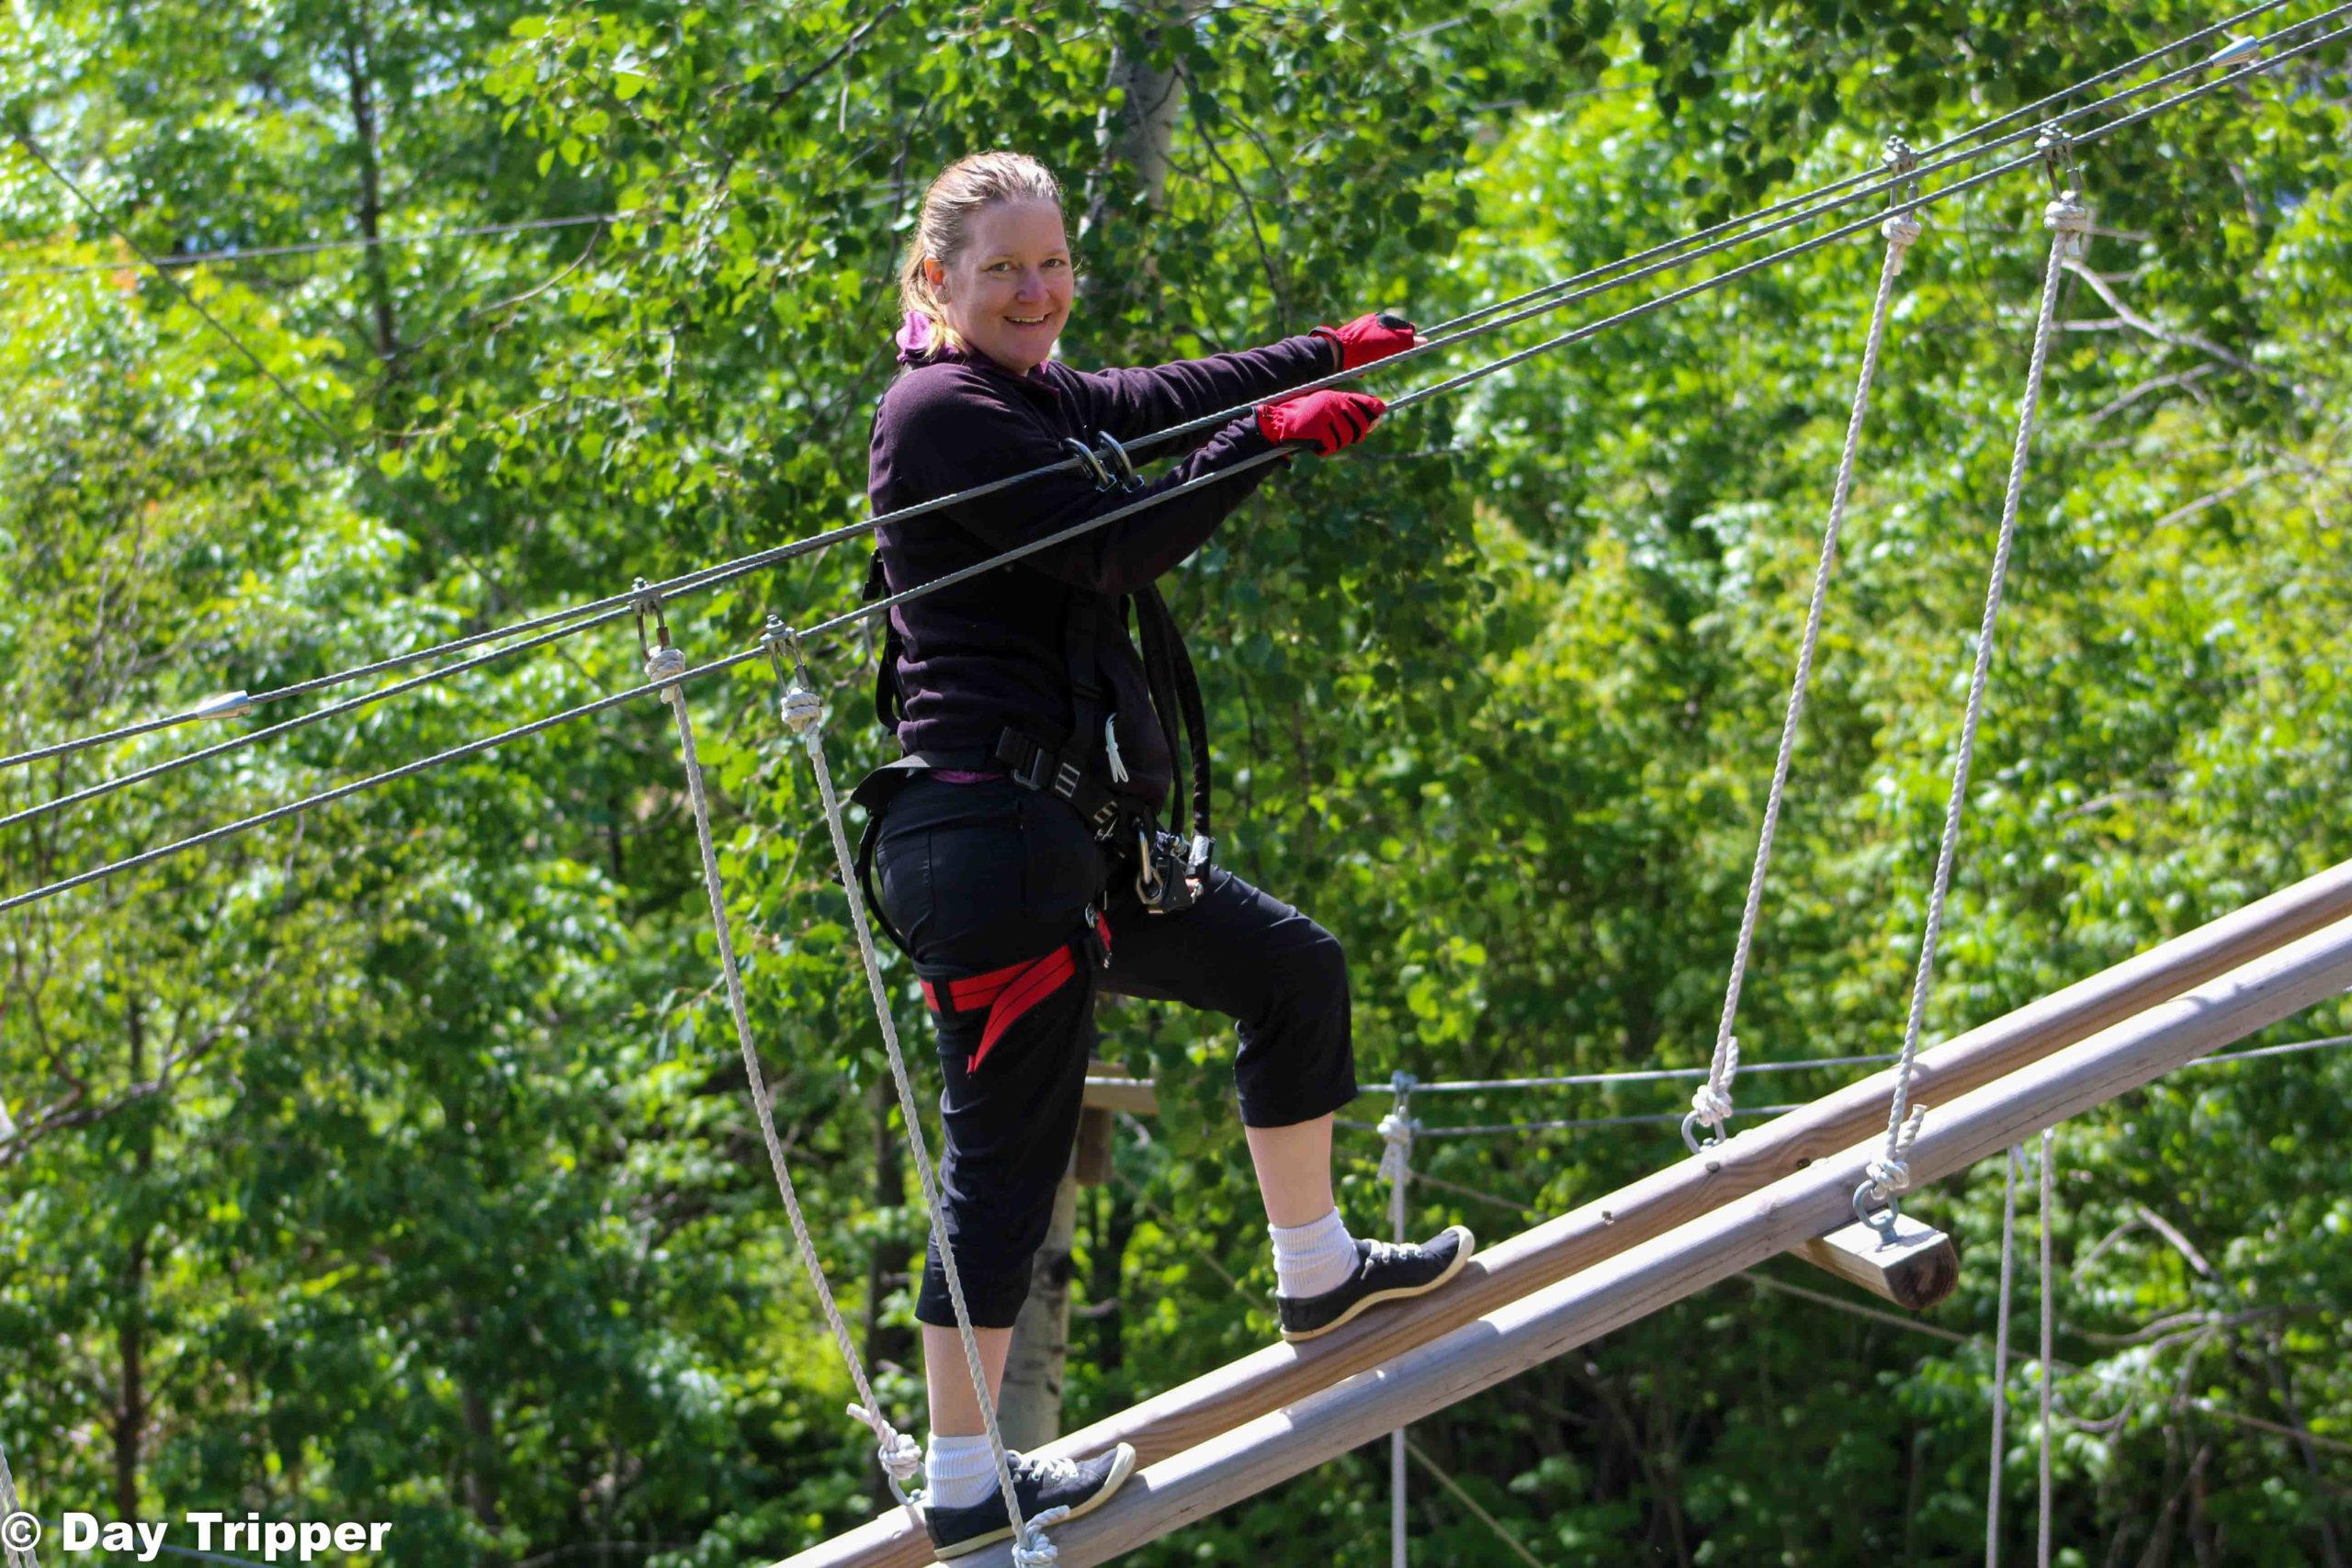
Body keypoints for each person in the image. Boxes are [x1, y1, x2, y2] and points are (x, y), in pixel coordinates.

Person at [857, 149, 1474, 1559]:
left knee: (1288, 969)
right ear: (936, 282)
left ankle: (1318, 1275)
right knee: (1005, 1169)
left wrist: (1318, 354)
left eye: (1052, 263)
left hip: (1064, 839)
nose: (1036, 291)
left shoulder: (1028, 395)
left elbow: (1149, 397)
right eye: (1002, 269)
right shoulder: (940, 411)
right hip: (991, 841)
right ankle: (965, 1479)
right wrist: (1271, 440)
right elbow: (1115, 541)